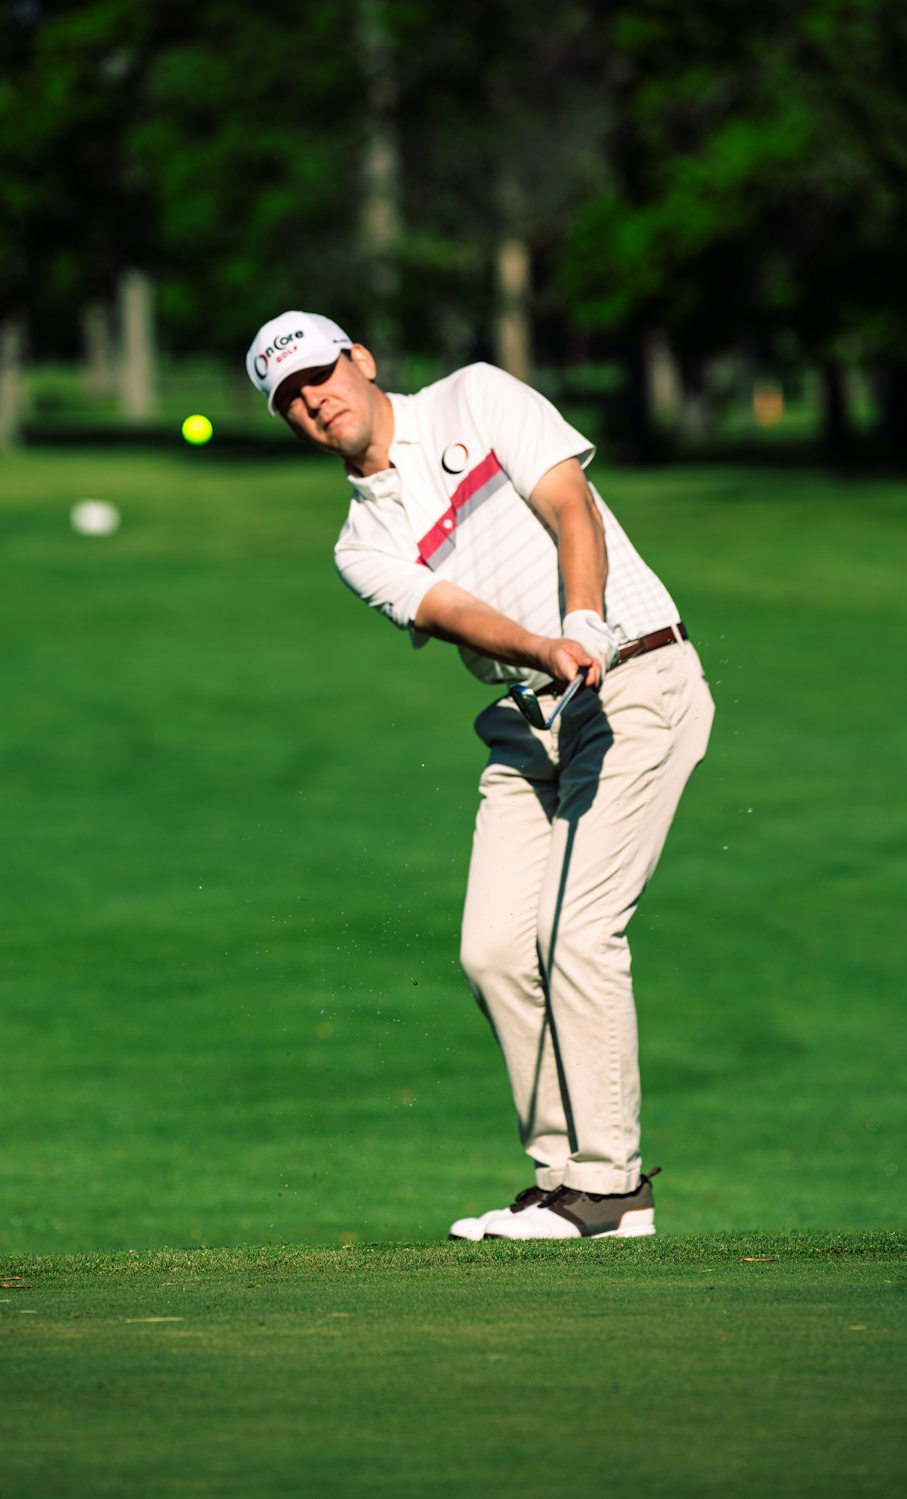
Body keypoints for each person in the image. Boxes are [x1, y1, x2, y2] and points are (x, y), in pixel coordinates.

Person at [245, 311, 715, 1240]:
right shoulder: (358, 545)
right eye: (291, 396)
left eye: (320, 373)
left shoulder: (476, 395)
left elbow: (569, 505)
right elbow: (452, 608)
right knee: (494, 950)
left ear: (362, 359)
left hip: (637, 678)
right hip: (527, 724)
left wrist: (582, 621)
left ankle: (613, 1187)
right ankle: (562, 1177)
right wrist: (544, 645)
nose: (314, 399)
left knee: (576, 932)